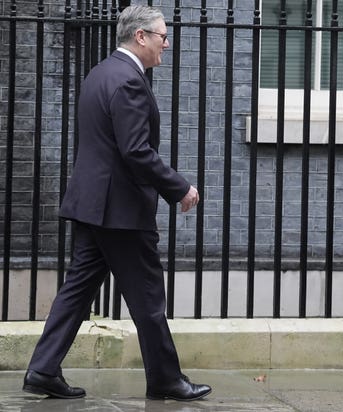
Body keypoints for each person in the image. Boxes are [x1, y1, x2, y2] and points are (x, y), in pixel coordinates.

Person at [22, 5, 212, 401]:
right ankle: (165, 379)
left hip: (91, 205)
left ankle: (42, 369)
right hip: (120, 211)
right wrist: (179, 187)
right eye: (162, 36)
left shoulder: (101, 73)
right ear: (140, 36)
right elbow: (136, 151)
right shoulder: (128, 81)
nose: (166, 43)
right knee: (147, 296)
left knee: (77, 291)